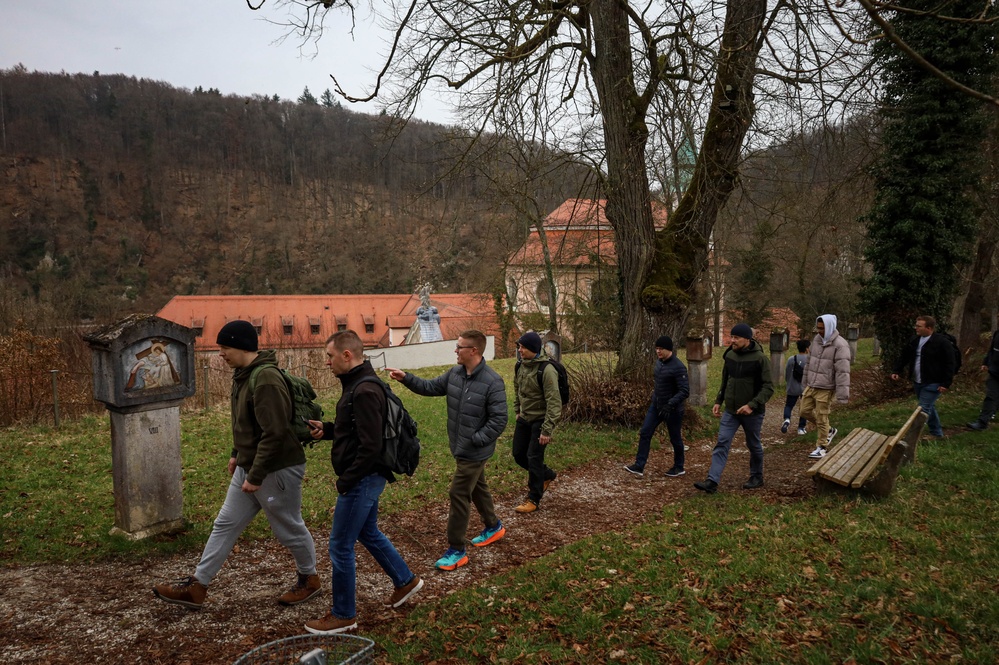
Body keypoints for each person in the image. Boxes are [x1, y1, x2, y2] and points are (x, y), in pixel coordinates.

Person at [153, 320, 320, 611]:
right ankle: (197, 586)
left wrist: (255, 476)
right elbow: (247, 424)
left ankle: (310, 579)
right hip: (251, 464)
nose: (220, 353)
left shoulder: (265, 378)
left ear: (242, 347)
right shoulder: (244, 375)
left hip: (276, 468)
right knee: (225, 524)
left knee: (288, 529)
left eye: (225, 347)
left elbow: (275, 432)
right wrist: (236, 453)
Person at [304, 330, 423, 635]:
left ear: (347, 355)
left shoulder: (364, 390)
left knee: (340, 545)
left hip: (363, 478)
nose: (327, 362)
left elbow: (371, 447)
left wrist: (346, 480)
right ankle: (405, 580)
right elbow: (358, 430)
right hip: (367, 477)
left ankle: (344, 614)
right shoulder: (358, 385)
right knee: (367, 531)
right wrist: (328, 429)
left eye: (330, 356)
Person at [386, 329, 508, 571]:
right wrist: (406, 378)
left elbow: (499, 419)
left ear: (473, 351)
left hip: (474, 450)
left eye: (460, 347)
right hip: (461, 446)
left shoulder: (492, 382)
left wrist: (476, 439)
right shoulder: (455, 374)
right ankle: (493, 527)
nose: (456, 350)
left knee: (458, 493)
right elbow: (430, 387)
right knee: (476, 488)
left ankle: (456, 550)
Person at [694, 323, 773, 494]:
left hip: (752, 412)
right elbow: (725, 380)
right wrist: (718, 401)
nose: (732, 340)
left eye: (736, 338)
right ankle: (712, 481)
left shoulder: (760, 358)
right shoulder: (729, 355)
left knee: (753, 444)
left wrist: (752, 405)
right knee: (722, 442)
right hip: (731, 411)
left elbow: (768, 387)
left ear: (747, 339)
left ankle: (757, 476)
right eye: (732, 337)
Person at [623, 335, 689, 478]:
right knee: (645, 432)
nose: (658, 351)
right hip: (656, 406)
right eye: (657, 349)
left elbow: (684, 391)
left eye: (661, 349)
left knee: (675, 438)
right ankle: (639, 466)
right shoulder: (659, 363)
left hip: (673, 410)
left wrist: (670, 403)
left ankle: (679, 466)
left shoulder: (678, 367)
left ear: (669, 349)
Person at [511, 331, 562, 513]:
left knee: (534, 457)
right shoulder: (520, 366)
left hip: (541, 419)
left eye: (523, 347)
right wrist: (518, 410)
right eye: (519, 346)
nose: (520, 350)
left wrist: (547, 429)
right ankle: (546, 475)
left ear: (533, 349)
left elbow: (554, 401)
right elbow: (517, 388)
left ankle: (534, 498)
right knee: (518, 454)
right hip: (524, 417)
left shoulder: (547, 370)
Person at [890, 315, 956, 438]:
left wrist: (946, 383)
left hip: (934, 382)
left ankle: (910, 437)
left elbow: (950, 363)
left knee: (922, 409)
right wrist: (896, 370)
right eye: (916, 325)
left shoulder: (942, 342)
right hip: (918, 381)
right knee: (928, 406)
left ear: (929, 328)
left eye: (919, 326)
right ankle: (937, 433)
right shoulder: (914, 340)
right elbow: (905, 356)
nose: (916, 328)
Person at [800, 315, 851, 459]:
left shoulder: (841, 345)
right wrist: (805, 381)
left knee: (822, 417)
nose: (819, 331)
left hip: (826, 386)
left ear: (830, 327)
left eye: (822, 328)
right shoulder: (816, 341)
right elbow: (809, 363)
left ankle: (822, 447)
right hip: (812, 384)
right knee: (804, 411)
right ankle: (829, 430)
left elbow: (843, 371)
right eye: (818, 328)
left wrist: (842, 394)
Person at [967, 329, 999, 431]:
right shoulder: (997, 333)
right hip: (995, 373)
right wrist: (986, 363)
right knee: (991, 396)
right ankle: (982, 422)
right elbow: (992, 350)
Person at [781, 339, 810, 435]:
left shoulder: (791, 359)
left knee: (789, 405)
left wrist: (788, 383)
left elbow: (787, 374)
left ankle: (787, 419)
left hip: (792, 387)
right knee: (804, 408)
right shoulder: (810, 360)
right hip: (805, 388)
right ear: (807, 348)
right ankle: (801, 428)